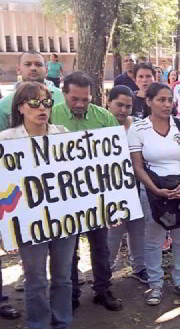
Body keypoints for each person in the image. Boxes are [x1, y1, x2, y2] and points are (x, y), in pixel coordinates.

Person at [0, 82, 81, 329]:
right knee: (36, 279)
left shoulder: (63, 134)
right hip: (29, 222)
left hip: (62, 219)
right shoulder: (6, 140)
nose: (41, 108)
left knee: (63, 277)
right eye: (33, 103)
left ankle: (62, 328)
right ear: (21, 107)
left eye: (46, 102)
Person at [50, 71, 123, 312]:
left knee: (100, 245)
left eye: (85, 99)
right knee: (67, 249)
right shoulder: (49, 115)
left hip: (96, 195)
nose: (80, 104)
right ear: (64, 95)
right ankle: (70, 294)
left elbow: (116, 159)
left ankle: (103, 290)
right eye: (74, 99)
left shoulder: (104, 118)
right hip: (63, 196)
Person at [127, 82, 180, 305]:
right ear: (148, 101)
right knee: (154, 239)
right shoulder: (138, 128)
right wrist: (155, 189)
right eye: (161, 99)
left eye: (169, 100)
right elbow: (137, 165)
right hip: (152, 191)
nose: (167, 104)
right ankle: (155, 284)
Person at [104, 85, 149, 284]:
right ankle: (105, 270)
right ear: (108, 102)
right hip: (111, 187)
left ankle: (139, 267)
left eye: (128, 106)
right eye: (119, 105)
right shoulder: (101, 125)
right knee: (113, 231)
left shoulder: (139, 125)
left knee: (138, 229)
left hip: (137, 184)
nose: (123, 110)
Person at [0, 51, 65, 131]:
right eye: (27, 64)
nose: (33, 68)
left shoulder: (63, 97)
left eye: (38, 64)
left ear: (46, 70)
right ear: (18, 69)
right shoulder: (3, 105)